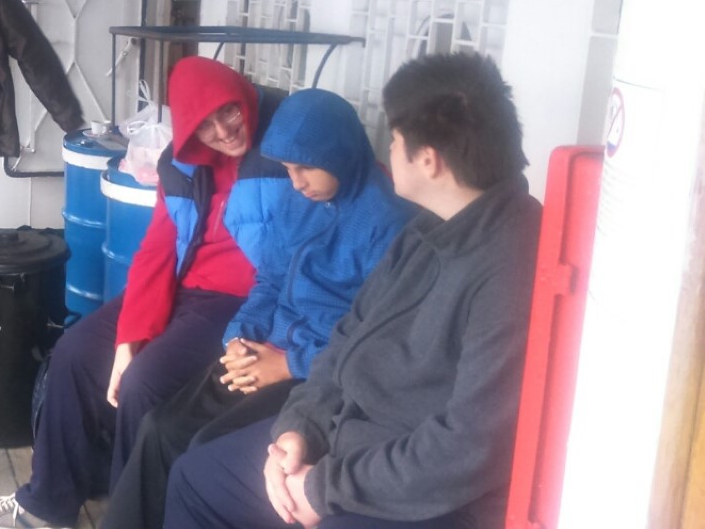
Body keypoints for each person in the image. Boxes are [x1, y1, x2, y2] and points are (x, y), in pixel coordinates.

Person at [163, 51, 541, 529]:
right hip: (346, 440)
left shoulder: (512, 264)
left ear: (428, 160)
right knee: (196, 475)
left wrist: (323, 488)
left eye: (395, 139)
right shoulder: (425, 232)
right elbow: (348, 334)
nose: (388, 150)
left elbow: (466, 445)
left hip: (414, 486)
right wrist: (300, 429)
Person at [0, 56, 291, 529]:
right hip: (184, 288)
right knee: (74, 353)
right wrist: (128, 338)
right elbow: (156, 253)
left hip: (242, 302)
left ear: (244, 97)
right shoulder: (182, 166)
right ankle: (48, 502)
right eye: (205, 124)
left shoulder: (285, 148)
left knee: (143, 383)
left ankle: (128, 515)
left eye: (229, 111)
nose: (223, 131)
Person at [101, 88, 415, 529]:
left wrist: (287, 364)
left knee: (199, 449)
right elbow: (269, 280)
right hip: (262, 349)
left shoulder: (389, 226)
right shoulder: (297, 201)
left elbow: (372, 339)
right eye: (287, 169)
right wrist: (238, 336)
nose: (296, 181)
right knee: (159, 428)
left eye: (305, 167)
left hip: (313, 376)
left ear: (341, 152)